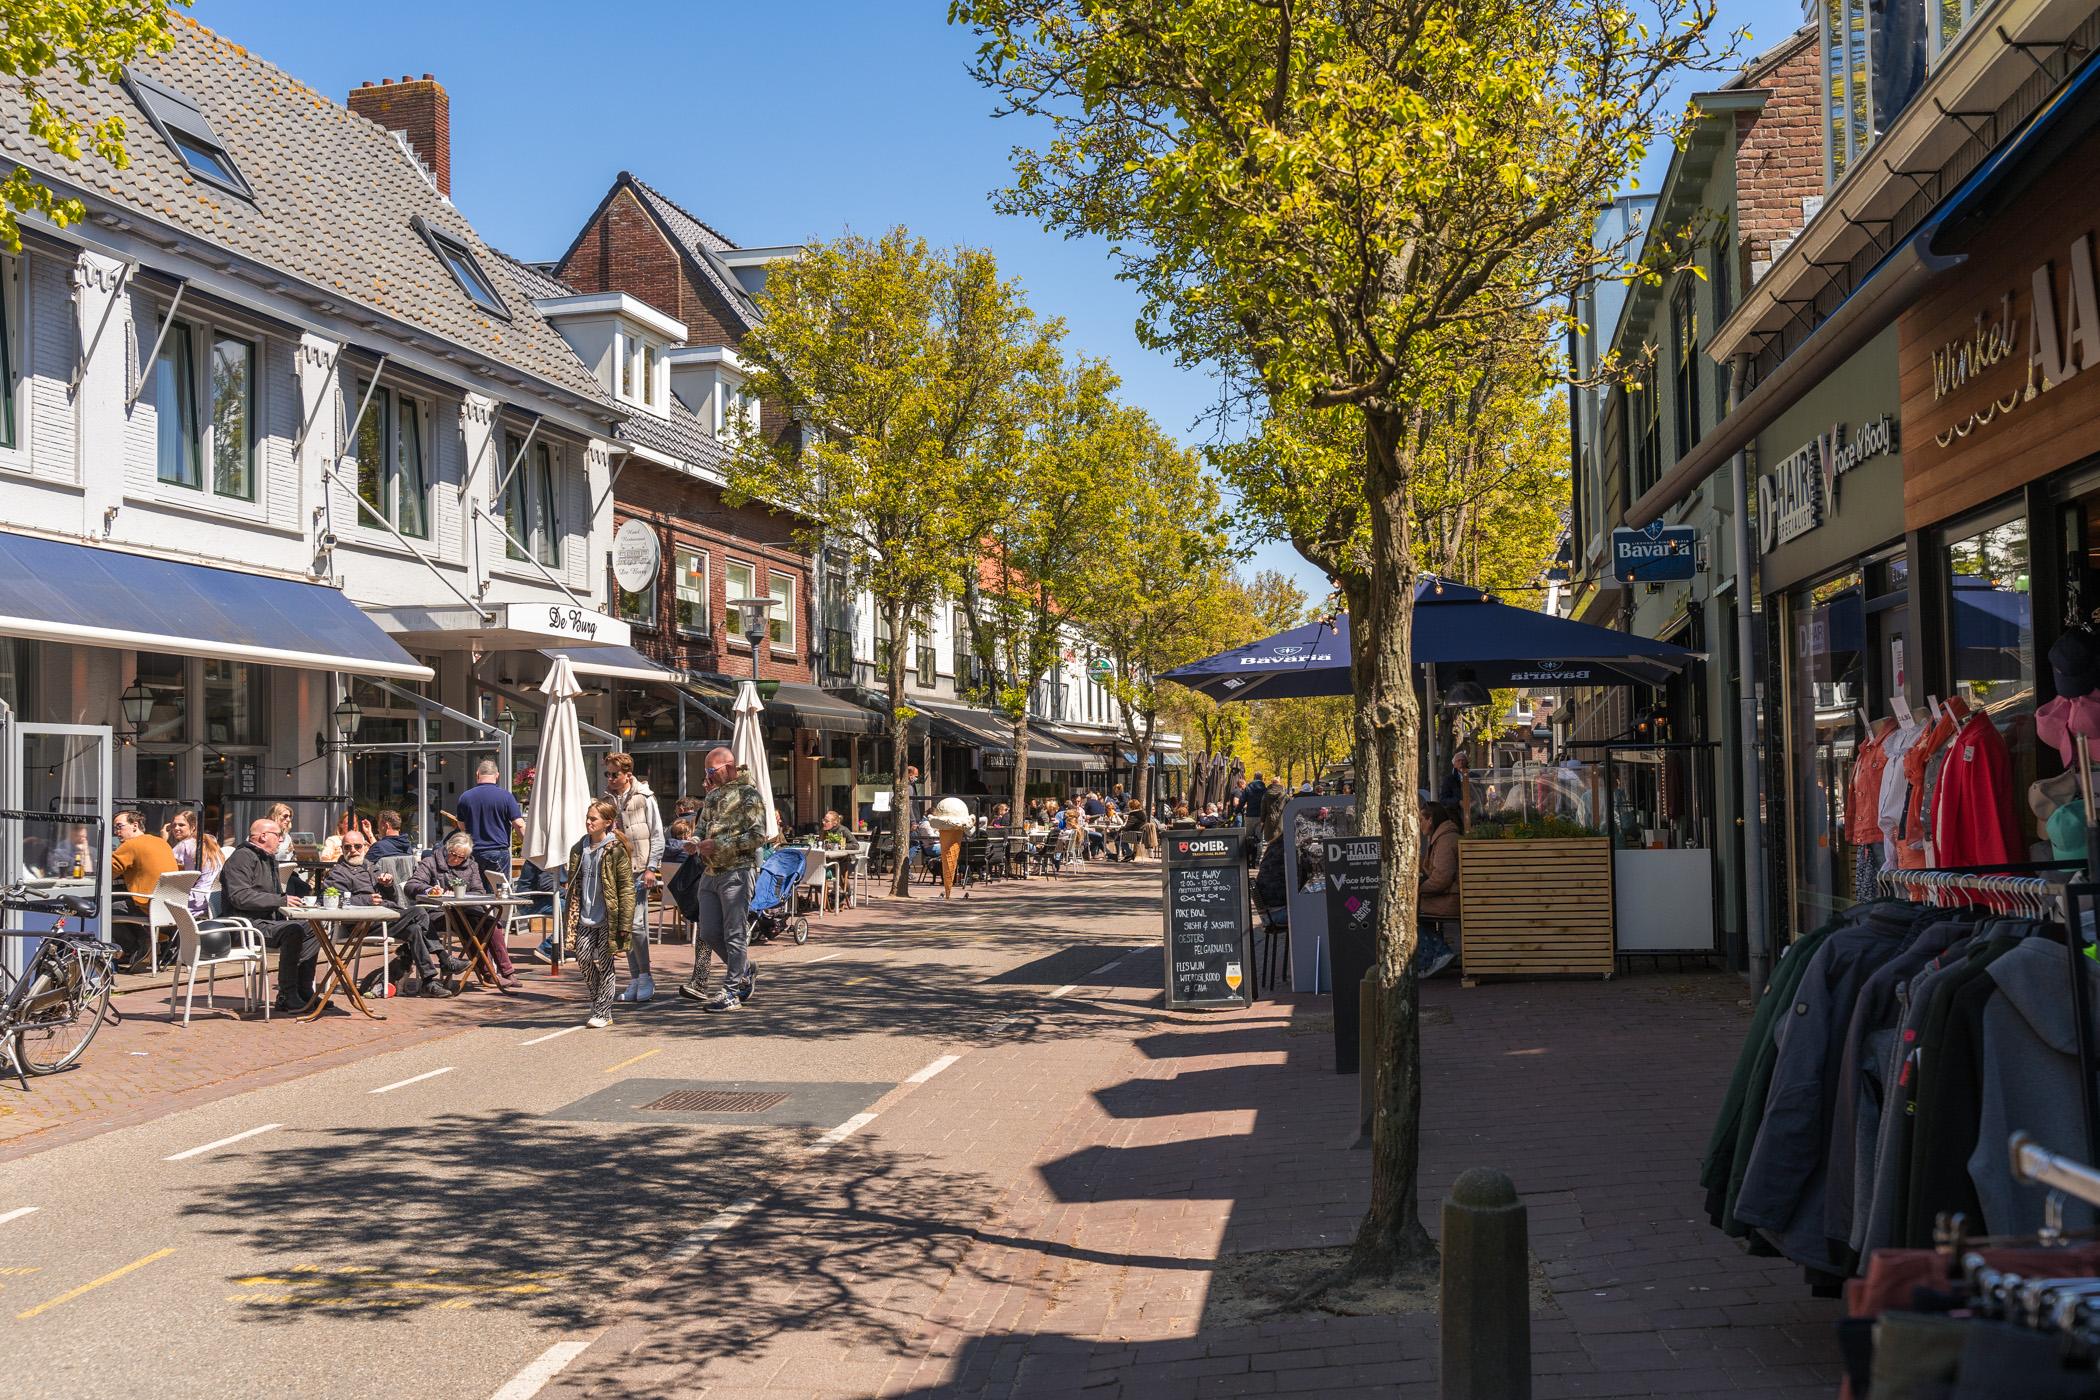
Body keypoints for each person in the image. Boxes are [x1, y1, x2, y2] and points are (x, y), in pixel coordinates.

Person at [678, 746, 767, 1011]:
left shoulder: (748, 795)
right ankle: (744, 969)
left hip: (737, 871)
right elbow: (703, 827)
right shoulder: (713, 795)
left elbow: (758, 836)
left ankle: (732, 991)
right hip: (710, 872)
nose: (708, 776)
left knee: (734, 933)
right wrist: (694, 841)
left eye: (711, 771)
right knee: (708, 932)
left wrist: (718, 845)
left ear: (728, 767)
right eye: (706, 771)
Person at [218, 819, 318, 1012]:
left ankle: (304, 990)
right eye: (278, 835)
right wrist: (280, 901)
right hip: (245, 926)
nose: (281, 840)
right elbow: (239, 896)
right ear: (263, 836)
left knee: (313, 927)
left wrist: (288, 901)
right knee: (293, 930)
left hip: (265, 921)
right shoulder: (242, 858)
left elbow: (265, 895)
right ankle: (287, 994)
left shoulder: (266, 858)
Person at [406, 832, 519, 992]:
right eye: (454, 855)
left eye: (461, 857)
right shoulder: (430, 863)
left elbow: (479, 891)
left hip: (467, 911)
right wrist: (429, 889)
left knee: (490, 923)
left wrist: (461, 894)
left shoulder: (471, 865)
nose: (456, 859)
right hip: (438, 914)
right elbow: (411, 885)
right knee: (470, 925)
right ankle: (488, 973)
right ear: (447, 849)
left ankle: (508, 971)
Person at [602, 752, 665, 1002]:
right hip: (616, 869)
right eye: (607, 773)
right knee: (624, 927)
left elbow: (657, 834)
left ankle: (646, 976)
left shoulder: (644, 797)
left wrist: (652, 868)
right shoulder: (606, 798)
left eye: (614, 774)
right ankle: (636, 978)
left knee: (636, 925)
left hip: (639, 868)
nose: (610, 778)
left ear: (628, 774)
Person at [565, 798, 634, 1028]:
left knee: (605, 963)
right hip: (584, 915)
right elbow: (575, 882)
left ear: (607, 822)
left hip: (608, 917)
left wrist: (625, 922)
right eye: (587, 817)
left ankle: (603, 1011)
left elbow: (626, 887)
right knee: (583, 958)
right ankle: (598, 1000)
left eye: (593, 819)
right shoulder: (579, 847)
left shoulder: (616, 850)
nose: (588, 822)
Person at [108, 809, 178, 969]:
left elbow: (107, 872)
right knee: (121, 903)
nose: (117, 832)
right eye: (115, 828)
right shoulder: (161, 842)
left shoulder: (131, 845)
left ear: (135, 825)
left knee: (105, 910)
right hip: (170, 906)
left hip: (148, 905)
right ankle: (146, 944)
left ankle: (139, 946)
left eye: (119, 827)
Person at [457, 759, 525, 879]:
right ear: (497, 775)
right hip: (498, 852)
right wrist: (527, 846)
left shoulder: (465, 797)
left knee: (476, 890)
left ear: (477, 774)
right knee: (498, 892)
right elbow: (519, 824)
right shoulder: (506, 796)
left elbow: (461, 825)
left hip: (474, 851)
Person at [1417, 800, 1462, 978]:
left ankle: (1438, 954)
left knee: (1407, 913)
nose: (1419, 825)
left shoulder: (1444, 841)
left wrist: (1418, 890)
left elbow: (1441, 879)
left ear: (1430, 820)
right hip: (1449, 896)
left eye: (1421, 820)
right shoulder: (1442, 838)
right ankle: (1433, 956)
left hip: (1450, 900)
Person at [168, 808, 225, 918]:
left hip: (197, 900)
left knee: (156, 904)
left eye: (181, 825)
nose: (176, 828)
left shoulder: (185, 844)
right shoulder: (210, 841)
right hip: (215, 898)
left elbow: (164, 864)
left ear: (193, 827)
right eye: (173, 825)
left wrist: (164, 838)